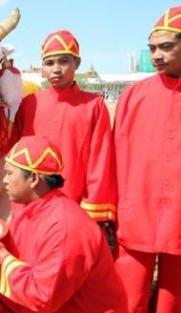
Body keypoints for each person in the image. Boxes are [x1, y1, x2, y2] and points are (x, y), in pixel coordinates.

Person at [0, 136, 129, 313]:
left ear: (34, 179)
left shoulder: (65, 227)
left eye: (9, 173)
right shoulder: (30, 208)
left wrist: (3, 258)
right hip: (59, 308)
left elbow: (44, 296)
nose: (3, 180)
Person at [113, 5, 181, 313]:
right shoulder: (133, 96)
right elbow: (115, 155)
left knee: (173, 310)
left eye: (166, 46)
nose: (156, 55)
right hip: (137, 213)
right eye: (152, 48)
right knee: (129, 304)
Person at [12, 30, 117, 251]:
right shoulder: (30, 104)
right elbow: (13, 151)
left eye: (64, 61)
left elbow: (101, 158)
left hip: (72, 203)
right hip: (31, 199)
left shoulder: (93, 104)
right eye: (49, 63)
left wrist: (93, 208)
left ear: (77, 63)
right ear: (42, 68)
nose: (56, 69)